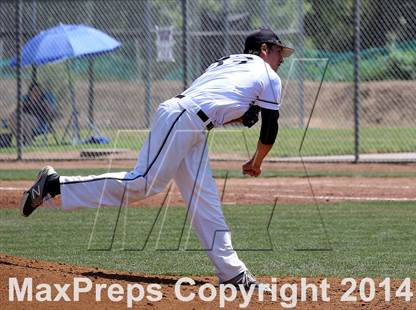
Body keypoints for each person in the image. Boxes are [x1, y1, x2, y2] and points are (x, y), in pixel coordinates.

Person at [20, 28, 294, 289]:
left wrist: (243, 115)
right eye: (279, 52)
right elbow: (270, 128)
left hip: (190, 123)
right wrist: (256, 161)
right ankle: (54, 186)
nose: (282, 58)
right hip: (184, 119)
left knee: (204, 199)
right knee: (143, 183)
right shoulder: (267, 75)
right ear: (263, 49)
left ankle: (232, 274)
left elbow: (223, 106)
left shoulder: (228, 64)